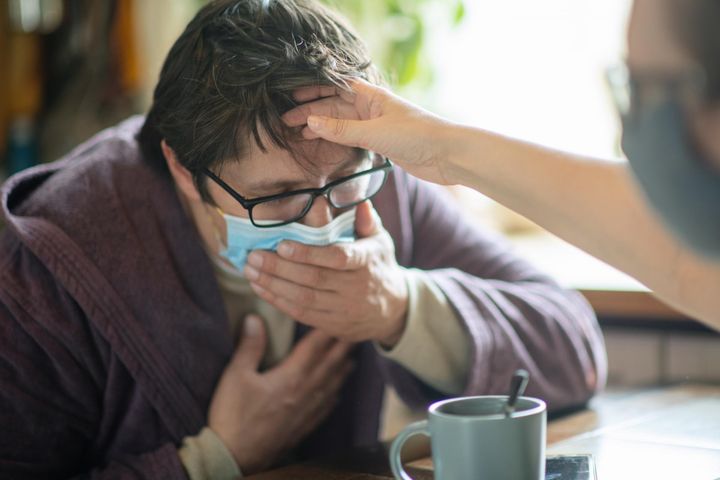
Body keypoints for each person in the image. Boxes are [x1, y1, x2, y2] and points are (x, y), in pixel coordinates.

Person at [0, 0, 606, 478]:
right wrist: (216, 459)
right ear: (184, 170)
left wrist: (401, 307)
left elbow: (574, 348)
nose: (324, 225)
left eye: (343, 180)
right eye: (280, 196)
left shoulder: (371, 181)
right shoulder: (47, 263)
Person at [284, 0, 720, 329]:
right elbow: (680, 263)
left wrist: (403, 307)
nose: (629, 133)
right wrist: (441, 149)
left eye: (642, 89)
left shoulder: (394, 199)